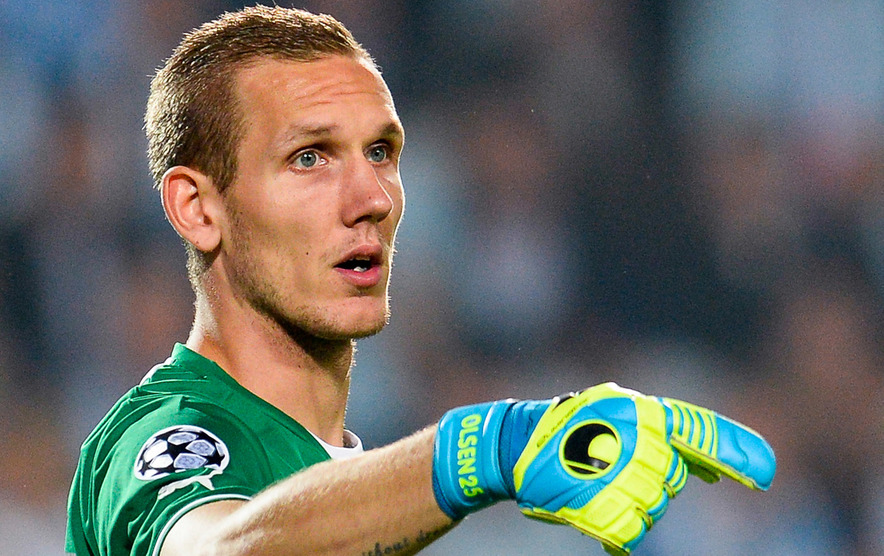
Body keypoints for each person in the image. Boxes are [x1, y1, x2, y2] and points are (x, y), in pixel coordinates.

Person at [65, 6, 776, 555]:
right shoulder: (165, 431)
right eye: (309, 157)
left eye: (380, 152)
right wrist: (481, 446)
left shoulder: (360, 494)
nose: (370, 198)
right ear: (198, 208)